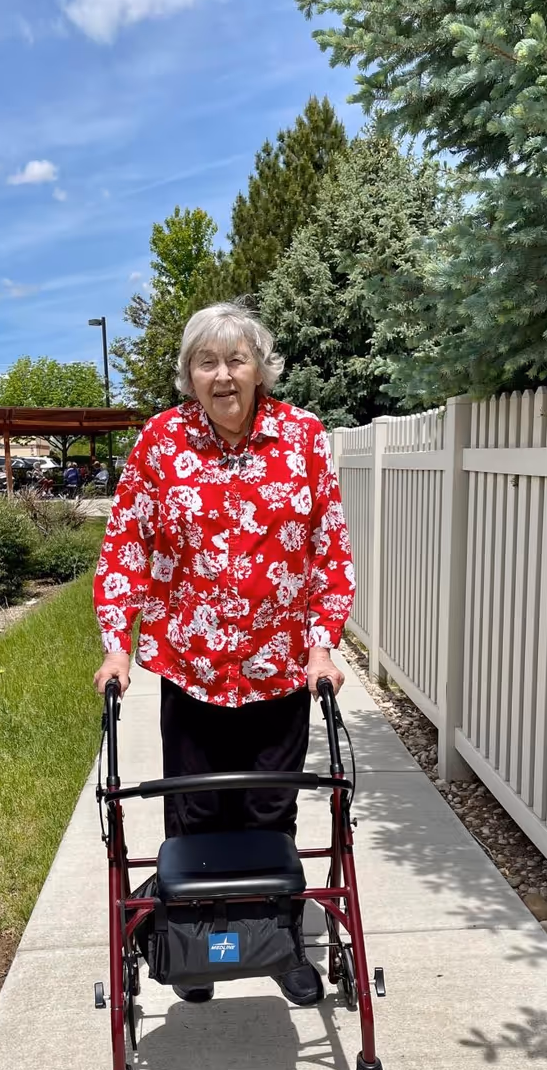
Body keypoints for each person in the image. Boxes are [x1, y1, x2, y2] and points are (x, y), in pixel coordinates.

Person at [92, 302, 355, 1007]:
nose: (223, 375)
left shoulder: (301, 437)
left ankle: (279, 940)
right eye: (206, 362)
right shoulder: (159, 443)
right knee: (198, 814)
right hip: (193, 669)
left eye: (237, 359)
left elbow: (328, 548)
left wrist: (322, 646)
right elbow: (126, 546)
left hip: (276, 669)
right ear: (188, 375)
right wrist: (119, 648)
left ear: (260, 368)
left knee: (271, 811)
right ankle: (198, 940)